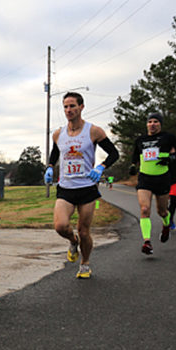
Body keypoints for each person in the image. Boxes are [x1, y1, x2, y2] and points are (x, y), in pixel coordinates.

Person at [44, 92, 119, 279]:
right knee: (61, 226)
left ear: (81, 107)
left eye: (72, 106)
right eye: (66, 107)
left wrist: (101, 167)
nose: (68, 110)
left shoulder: (94, 131)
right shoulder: (58, 133)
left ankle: (85, 264)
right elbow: (55, 153)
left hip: (87, 187)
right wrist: (50, 167)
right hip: (66, 187)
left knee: (85, 231)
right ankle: (72, 241)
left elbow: (114, 153)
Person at [128, 112, 176, 255]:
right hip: (145, 178)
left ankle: (166, 225)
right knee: (144, 209)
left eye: (156, 121)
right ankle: (147, 242)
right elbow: (135, 155)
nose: (152, 124)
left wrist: (172, 157)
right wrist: (132, 165)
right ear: (147, 124)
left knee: (162, 211)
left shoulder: (168, 137)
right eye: (150, 122)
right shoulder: (140, 140)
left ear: (160, 124)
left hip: (162, 178)